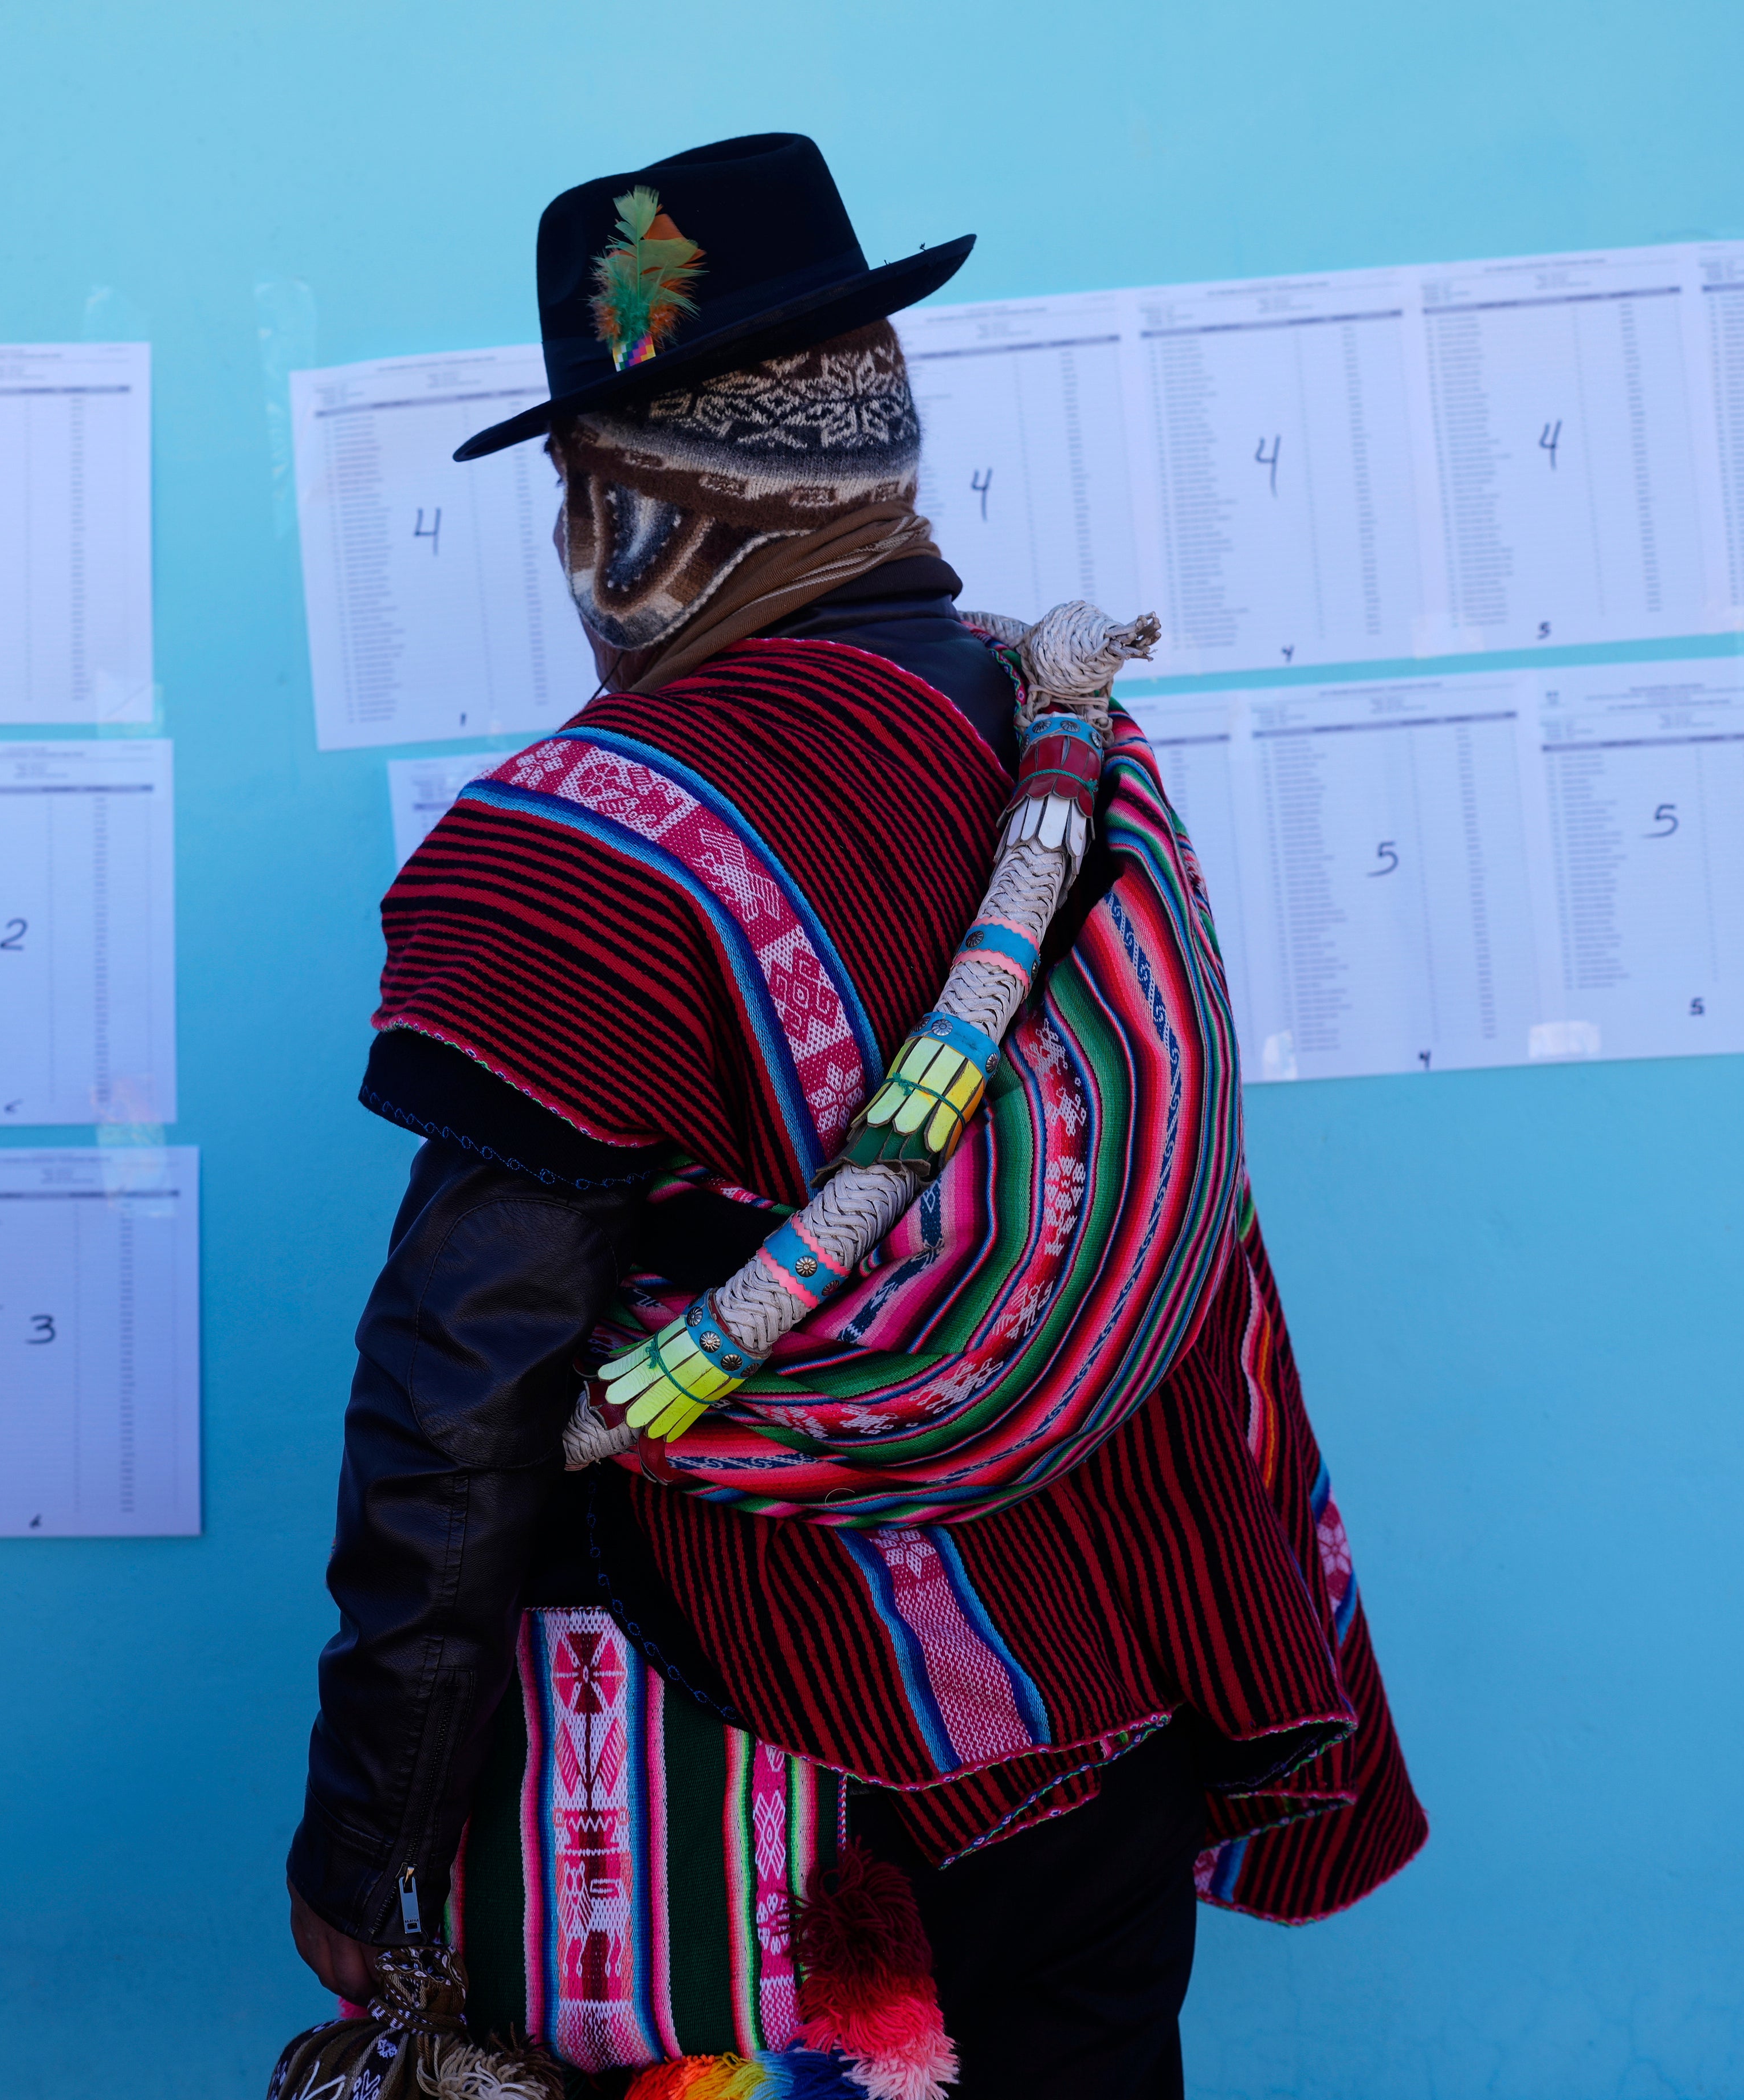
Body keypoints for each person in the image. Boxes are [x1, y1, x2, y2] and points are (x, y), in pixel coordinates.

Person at [285, 135, 1421, 2100]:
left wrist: (371, 1834)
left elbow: (458, 1386)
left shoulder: (575, 853)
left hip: (760, 1787)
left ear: (635, 511)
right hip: (1107, 1688)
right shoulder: (1062, 742)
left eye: (583, 494)